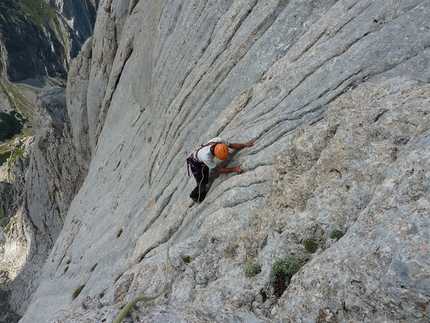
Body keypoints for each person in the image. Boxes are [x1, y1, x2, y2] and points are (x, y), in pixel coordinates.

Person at [186, 137, 255, 203]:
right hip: (195, 164)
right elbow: (218, 170)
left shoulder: (219, 141)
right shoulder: (206, 157)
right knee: (202, 183)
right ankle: (194, 196)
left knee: (206, 180)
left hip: (201, 160)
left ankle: (202, 191)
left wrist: (244, 144)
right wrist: (234, 169)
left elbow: (232, 145)